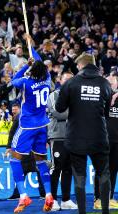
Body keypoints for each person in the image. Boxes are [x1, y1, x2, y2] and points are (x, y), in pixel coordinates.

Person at [56, 53, 112, 214]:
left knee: (79, 176)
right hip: (99, 137)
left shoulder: (71, 83)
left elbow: (59, 108)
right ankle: (105, 211)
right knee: (103, 174)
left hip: (76, 137)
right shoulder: (105, 83)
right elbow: (107, 112)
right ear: (93, 65)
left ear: (80, 66)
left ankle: (82, 212)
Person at [10, 47, 54, 213]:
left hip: (27, 126)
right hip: (43, 126)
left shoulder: (25, 82)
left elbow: (13, 79)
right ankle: (48, 195)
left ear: (31, 70)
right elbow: (41, 63)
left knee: (14, 159)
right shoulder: (47, 79)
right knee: (41, 161)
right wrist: (32, 47)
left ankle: (23, 196)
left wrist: (24, 67)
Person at [47, 71, 77, 211]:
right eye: (67, 79)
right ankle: (52, 201)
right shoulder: (54, 95)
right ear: (60, 80)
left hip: (72, 137)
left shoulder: (77, 96)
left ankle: (66, 199)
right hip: (57, 136)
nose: (69, 82)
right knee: (56, 169)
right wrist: (76, 112)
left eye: (72, 80)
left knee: (68, 169)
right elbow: (57, 113)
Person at [93, 74, 118, 210]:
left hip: (116, 141)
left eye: (113, 83)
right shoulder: (100, 98)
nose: (110, 85)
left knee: (113, 170)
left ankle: (110, 197)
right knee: (101, 170)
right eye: (108, 83)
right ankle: (98, 198)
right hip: (102, 140)